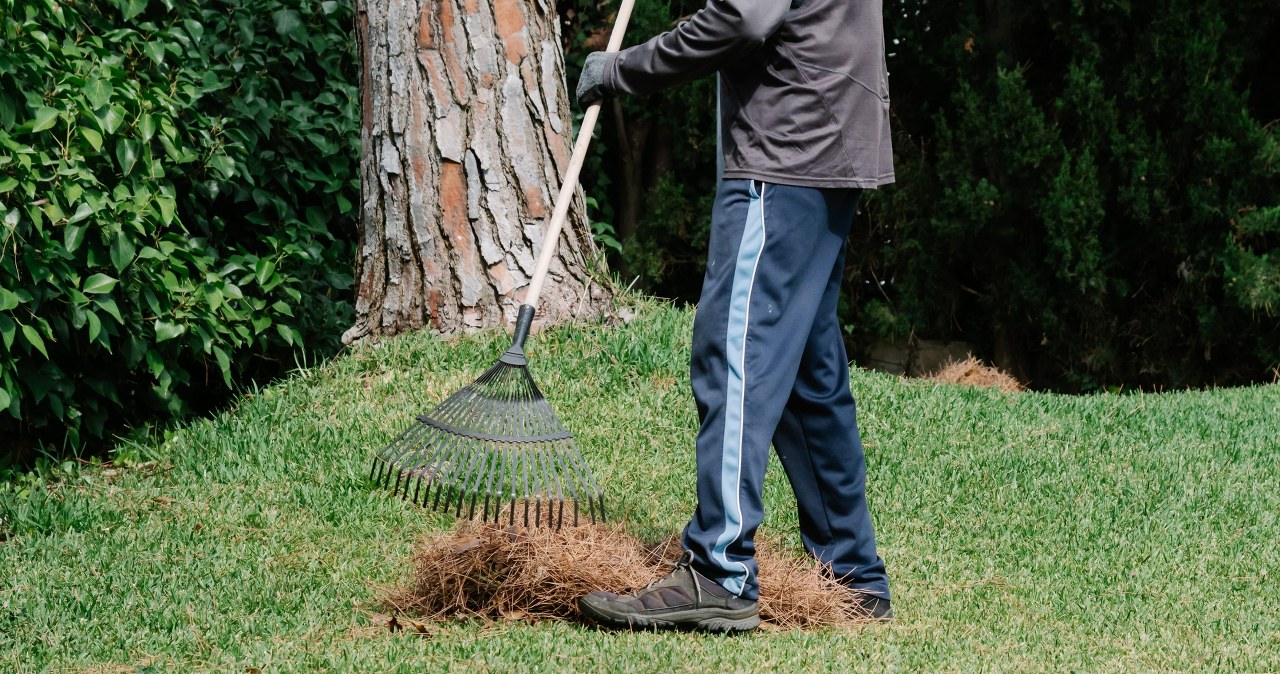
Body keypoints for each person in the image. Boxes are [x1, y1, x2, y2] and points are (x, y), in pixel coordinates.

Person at [574, 0, 895, 633]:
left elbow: (743, 16)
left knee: (735, 355)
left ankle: (719, 570)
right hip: (831, 143)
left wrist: (624, 70)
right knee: (806, 376)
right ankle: (854, 577)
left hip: (786, 152)